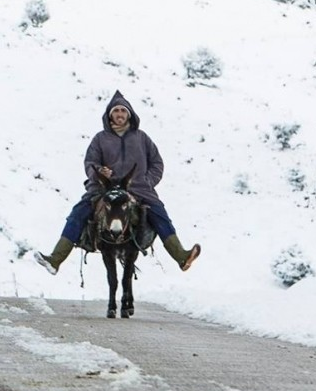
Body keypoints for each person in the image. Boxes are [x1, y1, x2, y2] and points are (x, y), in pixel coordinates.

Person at [33, 91, 201, 274]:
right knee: (78, 213)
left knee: (159, 214)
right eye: (116, 111)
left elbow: (157, 163)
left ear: (129, 114)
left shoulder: (142, 138)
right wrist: (98, 172)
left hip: (138, 189)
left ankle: (181, 257)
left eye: (123, 110)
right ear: (110, 114)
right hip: (104, 189)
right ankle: (56, 259)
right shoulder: (100, 139)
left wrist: (147, 181)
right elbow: (90, 162)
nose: (120, 114)